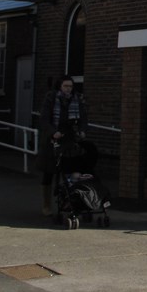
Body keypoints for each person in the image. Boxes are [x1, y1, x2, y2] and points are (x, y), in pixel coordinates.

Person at [38, 76, 95, 215]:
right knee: (49, 172)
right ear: (60, 87)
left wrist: (82, 131)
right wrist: (53, 132)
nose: (68, 89)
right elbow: (44, 119)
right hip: (52, 140)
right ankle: (46, 205)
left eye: (70, 86)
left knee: (71, 171)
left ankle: (70, 200)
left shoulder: (77, 99)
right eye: (65, 86)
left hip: (69, 139)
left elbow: (83, 118)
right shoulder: (51, 99)